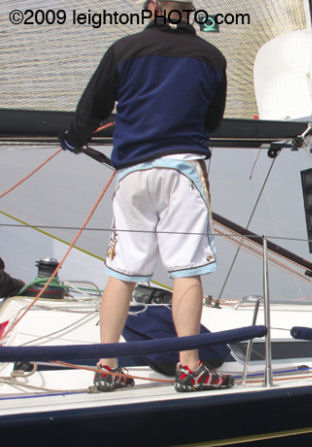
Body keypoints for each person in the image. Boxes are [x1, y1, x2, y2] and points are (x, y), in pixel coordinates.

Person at [59, 0, 231, 392]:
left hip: (132, 174)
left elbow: (92, 107)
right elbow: (213, 121)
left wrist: (74, 138)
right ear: (190, 10)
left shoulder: (123, 49)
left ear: (152, 7)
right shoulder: (212, 57)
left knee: (122, 273)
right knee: (186, 268)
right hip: (182, 172)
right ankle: (190, 368)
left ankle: (107, 367)